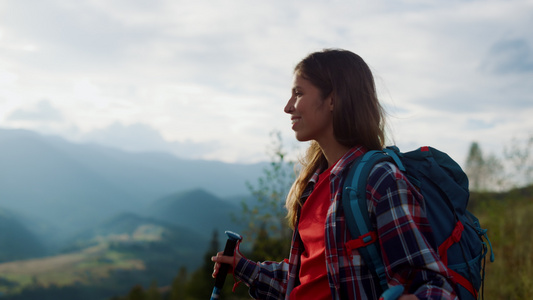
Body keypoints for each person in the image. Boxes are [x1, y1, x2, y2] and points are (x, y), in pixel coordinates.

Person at [212, 49, 457, 300]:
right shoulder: (313, 185)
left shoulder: (379, 181)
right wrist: (242, 267)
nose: (288, 107)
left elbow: (435, 287)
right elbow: (309, 282)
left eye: (298, 93)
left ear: (332, 99)